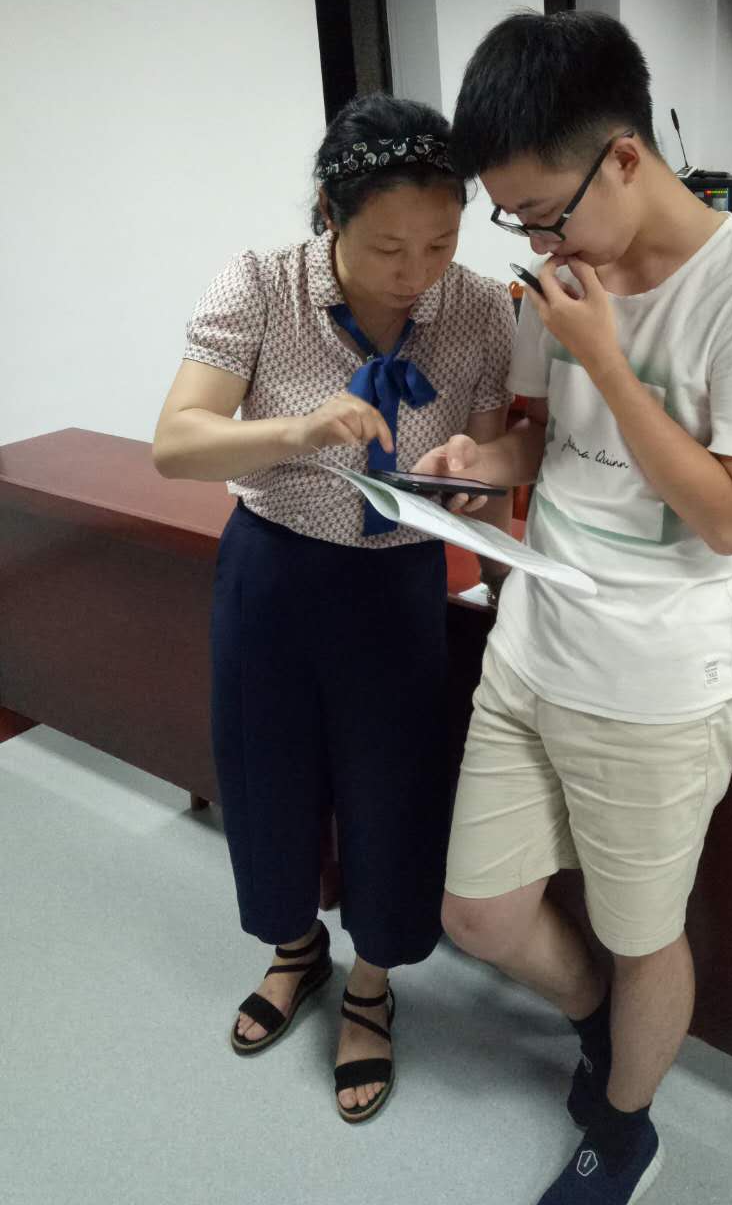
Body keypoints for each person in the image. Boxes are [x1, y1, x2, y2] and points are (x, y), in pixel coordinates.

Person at [415, 12, 732, 1202]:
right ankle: (599, 1018)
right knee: (479, 913)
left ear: (627, 157)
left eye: (546, 212)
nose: (538, 241)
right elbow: (546, 440)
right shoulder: (562, 278)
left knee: (646, 934)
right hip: (532, 649)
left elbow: (731, 518)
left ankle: (627, 1124)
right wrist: (482, 464)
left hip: (657, 687)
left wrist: (602, 354)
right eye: (517, 220)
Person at [153, 94, 515, 1123]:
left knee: (393, 789)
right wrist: (300, 429)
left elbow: (493, 454)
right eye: (388, 247)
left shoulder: (480, 308)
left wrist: (477, 481)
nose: (416, 272)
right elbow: (177, 442)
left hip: (399, 580)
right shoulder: (261, 284)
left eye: (441, 243)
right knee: (264, 772)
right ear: (329, 214)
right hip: (272, 571)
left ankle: (372, 984)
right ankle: (296, 950)